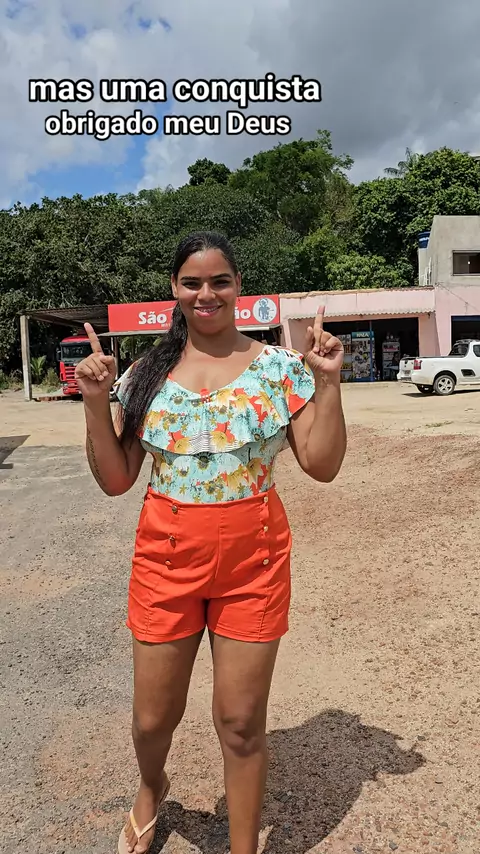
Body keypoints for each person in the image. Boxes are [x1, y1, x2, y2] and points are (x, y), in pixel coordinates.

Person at [74, 231, 347, 854]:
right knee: (152, 720)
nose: (207, 293)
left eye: (220, 281)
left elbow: (323, 464)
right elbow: (116, 479)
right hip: (165, 559)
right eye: (192, 282)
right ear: (174, 288)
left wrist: (328, 381)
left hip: (254, 561)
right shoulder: (145, 375)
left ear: (237, 287)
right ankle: (152, 786)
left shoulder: (281, 369)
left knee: (242, 722)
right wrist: (93, 401)